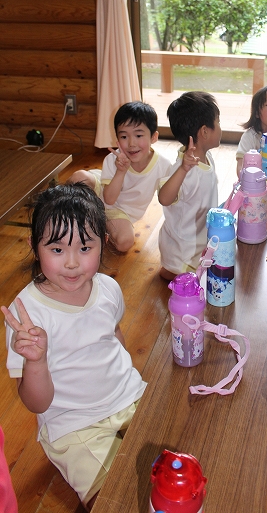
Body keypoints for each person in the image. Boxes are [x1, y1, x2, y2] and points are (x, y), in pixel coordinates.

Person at [1, 184, 146, 510]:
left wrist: (128, 385)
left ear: (103, 243)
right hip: (74, 425)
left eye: (84, 248)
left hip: (128, 397)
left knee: (176, 458)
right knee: (113, 500)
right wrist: (36, 360)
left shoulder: (107, 288)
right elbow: (37, 404)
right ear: (34, 247)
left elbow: (115, 337)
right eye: (56, 249)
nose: (71, 263)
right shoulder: (27, 316)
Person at [69, 101, 171, 252]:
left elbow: (169, 200)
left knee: (124, 242)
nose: (131, 143)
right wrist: (121, 171)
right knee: (79, 177)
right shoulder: (112, 159)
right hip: (100, 193)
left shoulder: (163, 166)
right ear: (117, 139)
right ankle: (78, 215)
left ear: (154, 137)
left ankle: (93, 221)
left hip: (121, 212)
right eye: (124, 136)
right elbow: (108, 198)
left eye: (138, 135)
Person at [158, 91, 222, 281]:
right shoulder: (184, 170)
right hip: (183, 251)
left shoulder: (206, 157)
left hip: (200, 238)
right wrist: (183, 170)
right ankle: (171, 270)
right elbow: (164, 198)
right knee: (202, 282)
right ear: (204, 132)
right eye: (218, 122)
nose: (220, 128)